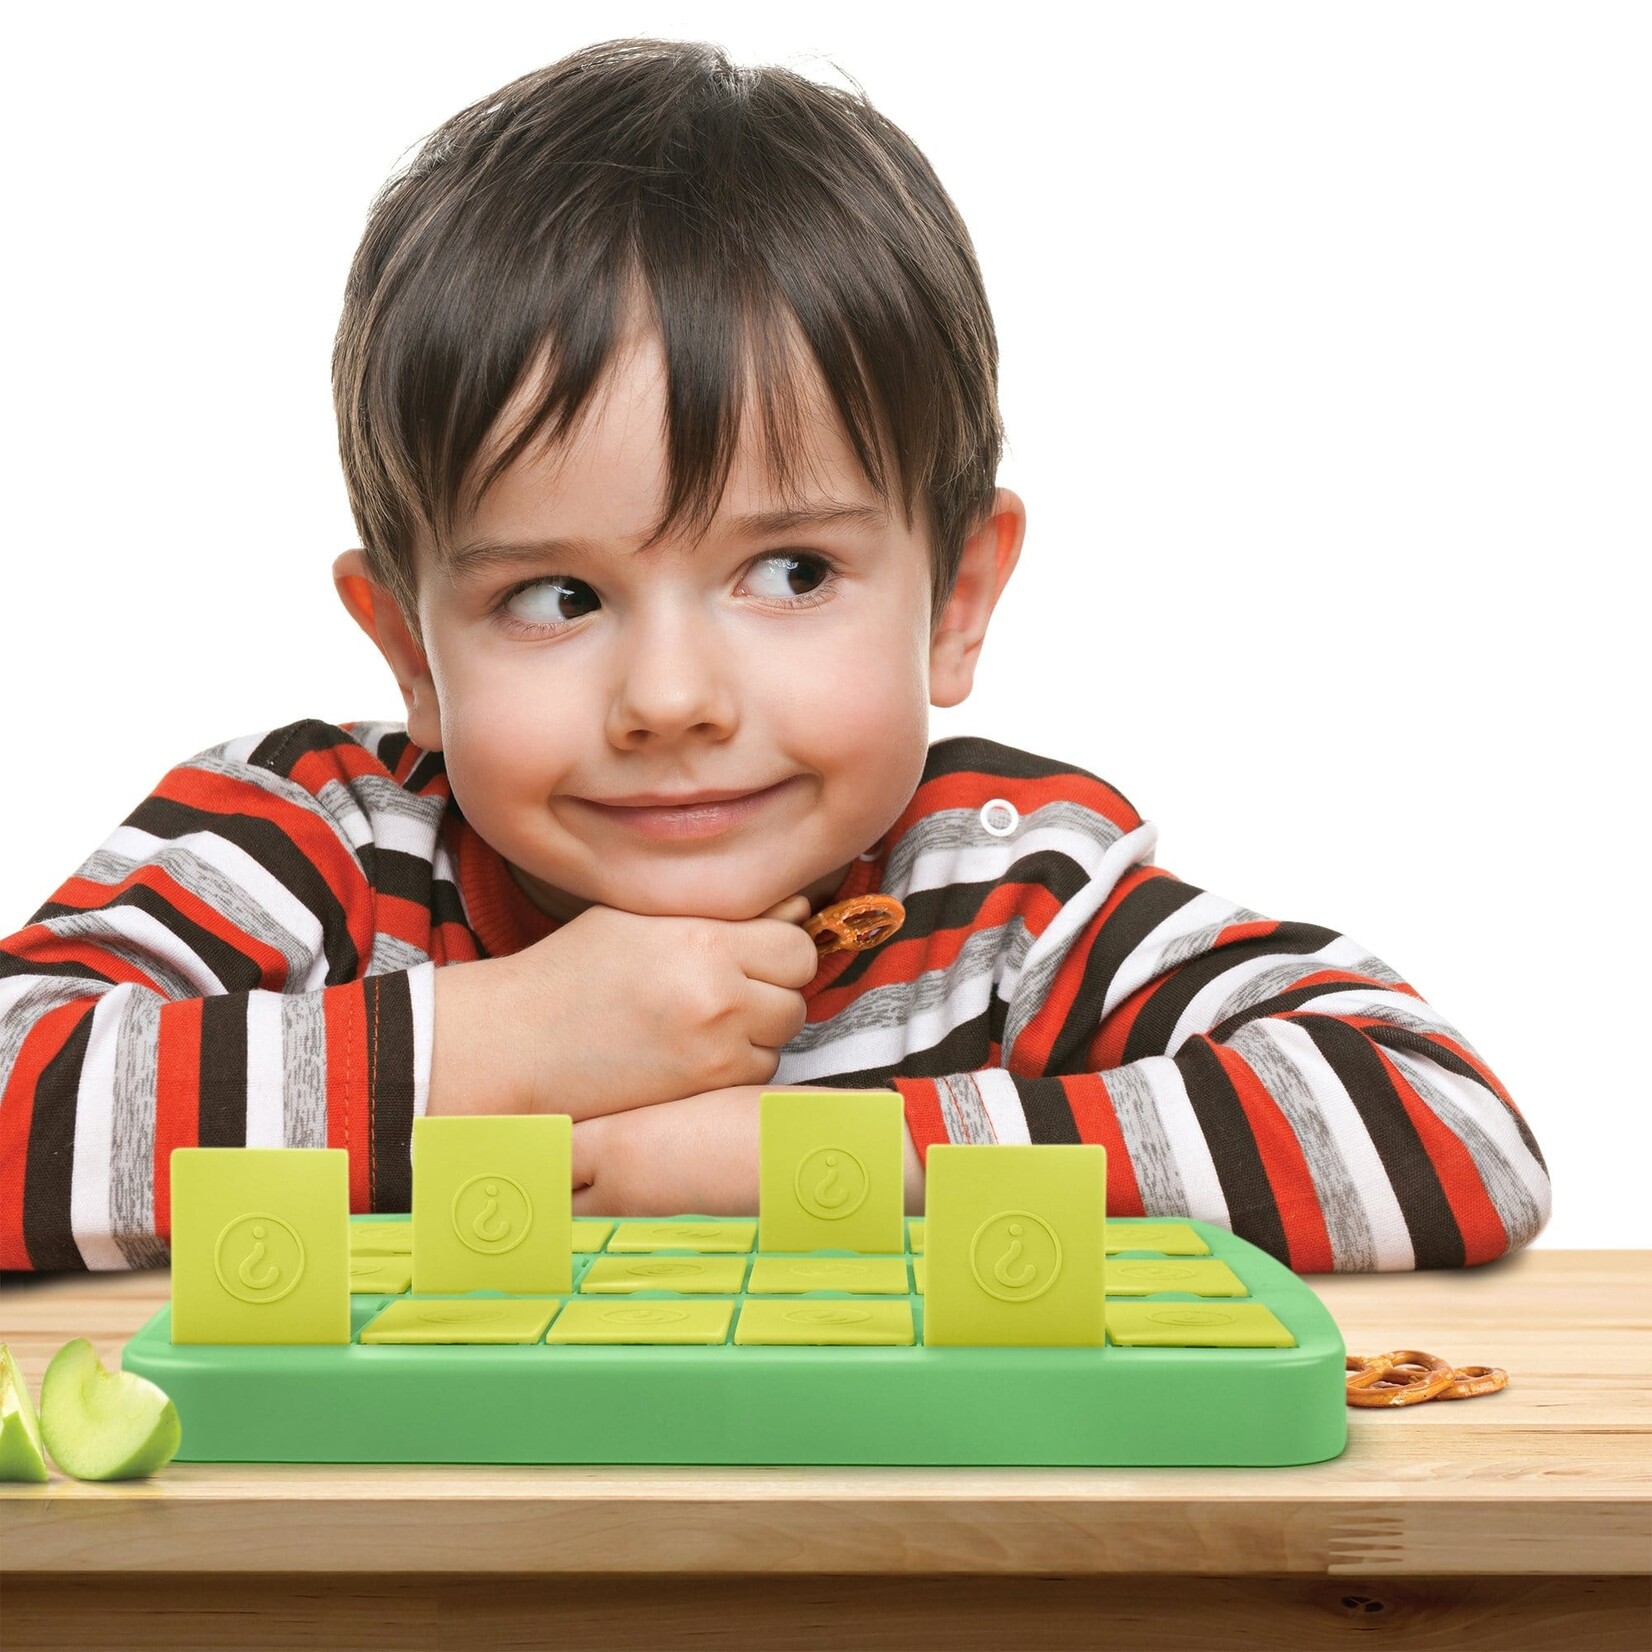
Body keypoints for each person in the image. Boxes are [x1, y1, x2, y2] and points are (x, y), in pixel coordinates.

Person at [0, 37, 1549, 1274]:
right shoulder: (318, 849)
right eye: (555, 596)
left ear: (956, 600)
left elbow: (1438, 1124)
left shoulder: (1004, 889)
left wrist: (820, 1165)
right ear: (410, 646)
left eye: (790, 572)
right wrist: (498, 1047)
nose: (672, 700)